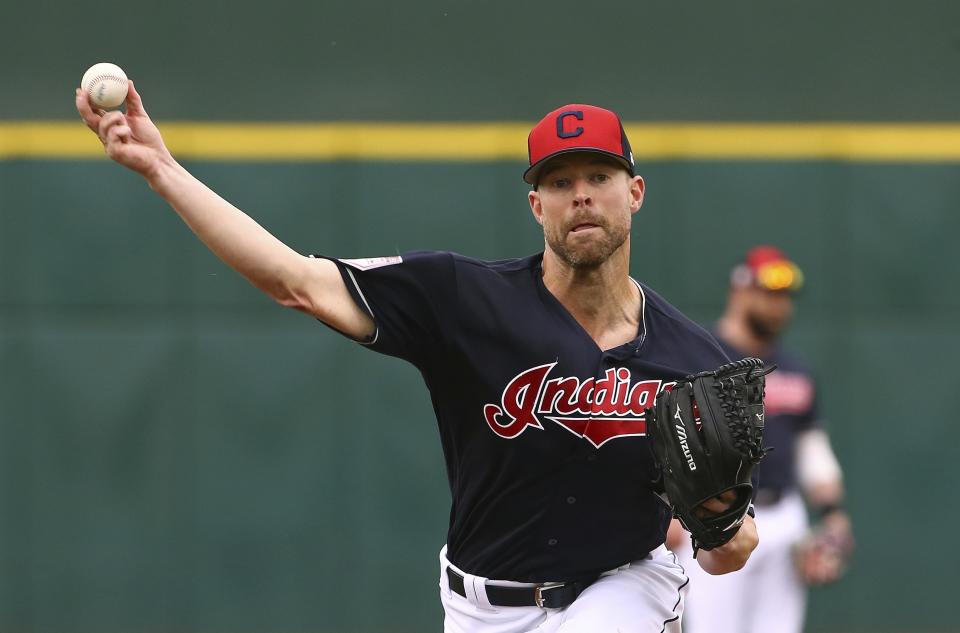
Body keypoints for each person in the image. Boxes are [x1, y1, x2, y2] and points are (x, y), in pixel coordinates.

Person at [75, 85, 760, 632]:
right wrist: (161, 169)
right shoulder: (464, 298)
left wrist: (725, 522)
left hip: (623, 588)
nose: (580, 193)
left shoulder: (691, 358)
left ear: (634, 193)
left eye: (600, 175)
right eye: (559, 180)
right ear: (535, 204)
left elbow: (727, 551)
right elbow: (296, 280)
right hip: (481, 602)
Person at [670, 246, 854, 633]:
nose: (779, 306)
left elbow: (811, 449)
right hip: (716, 518)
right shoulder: (701, 359)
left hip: (785, 516)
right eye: (769, 294)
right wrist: (669, 515)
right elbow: (671, 442)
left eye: (785, 297)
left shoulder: (795, 369)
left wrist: (832, 515)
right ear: (740, 291)